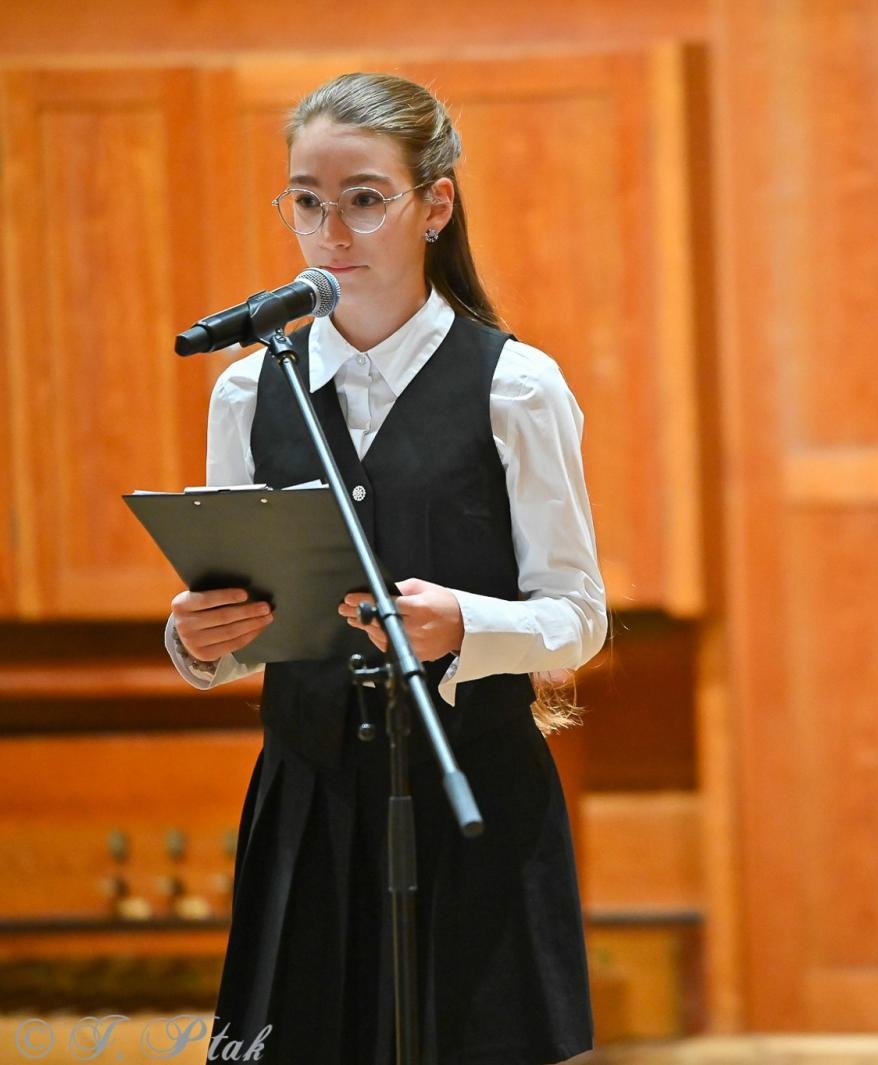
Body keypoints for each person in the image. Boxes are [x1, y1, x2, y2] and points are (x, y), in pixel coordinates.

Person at [165, 72, 605, 1064]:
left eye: (364, 199)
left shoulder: (516, 387)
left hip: (472, 799)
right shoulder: (247, 388)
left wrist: (467, 626)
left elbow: (578, 616)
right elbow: (234, 619)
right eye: (307, 203)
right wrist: (194, 640)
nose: (332, 233)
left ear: (433, 205)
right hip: (307, 806)